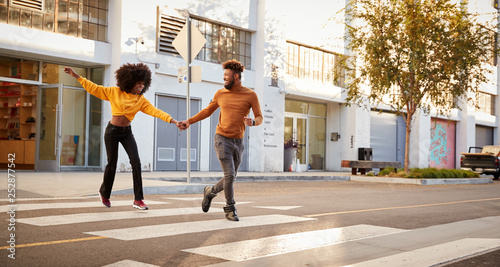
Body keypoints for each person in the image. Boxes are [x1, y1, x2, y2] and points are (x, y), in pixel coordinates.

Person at [64, 64, 180, 210]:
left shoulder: (141, 100)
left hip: (127, 133)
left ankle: (138, 200)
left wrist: (173, 121)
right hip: (112, 132)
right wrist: (76, 76)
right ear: (130, 82)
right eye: (139, 84)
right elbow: (94, 88)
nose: (141, 87)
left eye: (143, 84)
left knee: (136, 162)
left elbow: (156, 112)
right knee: (112, 163)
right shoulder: (115, 92)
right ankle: (104, 193)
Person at [179, 59, 262, 221]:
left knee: (231, 177)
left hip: (239, 141)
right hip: (222, 139)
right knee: (230, 174)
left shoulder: (250, 95)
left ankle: (210, 192)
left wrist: (253, 122)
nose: (224, 78)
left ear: (236, 77)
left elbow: (259, 116)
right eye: (223, 75)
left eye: (227, 75)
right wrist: (189, 121)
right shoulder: (220, 93)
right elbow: (207, 111)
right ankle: (230, 208)